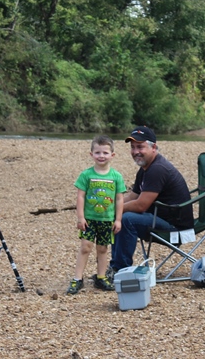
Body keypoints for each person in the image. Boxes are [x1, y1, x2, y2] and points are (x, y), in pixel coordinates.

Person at [108, 126, 193, 278]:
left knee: (126, 219)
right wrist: (110, 207)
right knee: (119, 216)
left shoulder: (157, 169)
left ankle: (120, 271)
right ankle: (115, 266)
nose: (135, 152)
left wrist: (116, 210)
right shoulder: (145, 168)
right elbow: (133, 197)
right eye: (133, 148)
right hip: (157, 218)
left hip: (176, 229)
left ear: (153, 147)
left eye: (140, 147)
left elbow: (141, 205)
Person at [67, 135, 126, 294]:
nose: (101, 156)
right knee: (85, 247)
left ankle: (101, 277)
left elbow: (120, 199)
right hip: (89, 220)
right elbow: (80, 196)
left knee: (102, 248)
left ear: (112, 155)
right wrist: (80, 217)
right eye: (98, 152)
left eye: (105, 153)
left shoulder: (116, 176)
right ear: (91, 154)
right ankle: (77, 279)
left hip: (107, 220)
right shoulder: (86, 175)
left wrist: (118, 219)